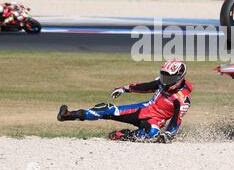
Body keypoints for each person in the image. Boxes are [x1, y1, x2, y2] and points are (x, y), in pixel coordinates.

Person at [57, 60, 192, 143]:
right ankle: (69, 114)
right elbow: (147, 86)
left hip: (156, 121)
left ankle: (123, 135)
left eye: (168, 78)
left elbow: (176, 120)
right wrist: (125, 89)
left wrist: (168, 134)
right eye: (163, 77)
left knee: (152, 135)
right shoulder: (162, 82)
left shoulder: (182, 99)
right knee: (108, 110)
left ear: (179, 78)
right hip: (143, 109)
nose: (164, 81)